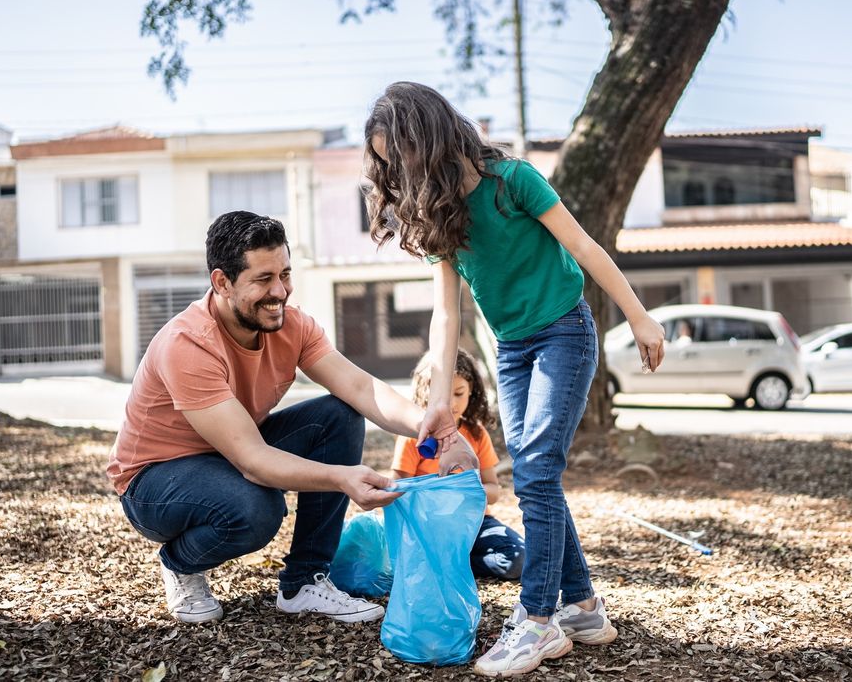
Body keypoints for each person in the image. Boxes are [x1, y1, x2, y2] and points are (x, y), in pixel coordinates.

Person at [364, 82, 667, 676]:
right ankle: (583, 607)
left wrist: (640, 315)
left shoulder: (514, 181)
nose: (395, 170)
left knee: (533, 468)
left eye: (398, 154)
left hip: (564, 332)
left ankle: (537, 620)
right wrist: (437, 397)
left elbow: (585, 246)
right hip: (512, 348)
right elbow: (446, 312)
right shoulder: (437, 216)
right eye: (385, 162)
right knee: (537, 471)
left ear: (428, 138)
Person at [106, 210, 478, 625]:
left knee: (340, 414)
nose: (280, 291)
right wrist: (341, 478)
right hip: (155, 482)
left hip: (225, 454)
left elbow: (360, 388)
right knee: (256, 509)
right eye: (263, 280)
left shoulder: (291, 325)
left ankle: (304, 583)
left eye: (284, 274)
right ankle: (180, 562)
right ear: (222, 282)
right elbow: (252, 460)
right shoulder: (188, 344)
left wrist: (438, 428)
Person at [393, 348, 524, 581]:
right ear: (425, 393)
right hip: (429, 527)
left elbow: (493, 492)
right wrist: (435, 493)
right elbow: (397, 490)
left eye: (459, 393)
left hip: (475, 524)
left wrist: (465, 490)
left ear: (471, 391)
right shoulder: (415, 435)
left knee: (519, 559)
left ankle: (455, 562)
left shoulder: (476, 433)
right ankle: (445, 560)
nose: (450, 403)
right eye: (441, 393)